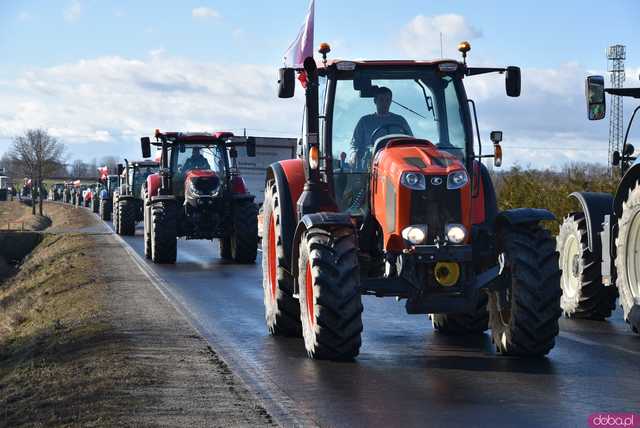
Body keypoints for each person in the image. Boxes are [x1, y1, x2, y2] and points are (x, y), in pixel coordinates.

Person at [349, 86, 413, 167]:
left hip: (396, 164)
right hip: (371, 165)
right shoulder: (365, 121)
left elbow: (411, 142)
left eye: (387, 100)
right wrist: (353, 154)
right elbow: (355, 144)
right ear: (375, 101)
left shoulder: (400, 120)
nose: (385, 103)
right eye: (381, 100)